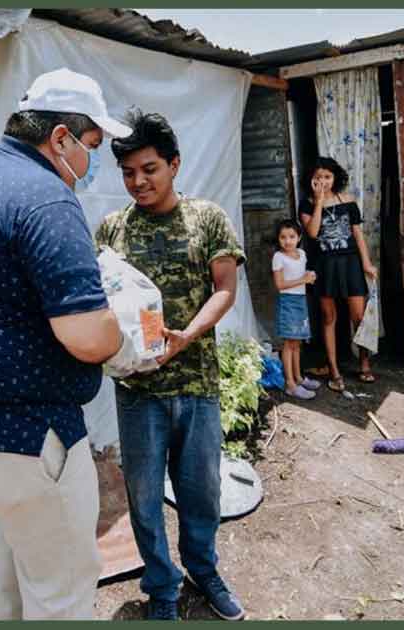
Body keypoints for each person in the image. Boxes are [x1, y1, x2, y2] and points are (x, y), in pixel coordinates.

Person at [0, 68, 142, 620]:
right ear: (59, 138)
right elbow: (87, 337)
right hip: (19, 438)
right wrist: (125, 334)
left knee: (17, 548)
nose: (93, 162)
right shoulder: (46, 199)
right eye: (91, 145)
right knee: (62, 593)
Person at [94, 109, 247, 621]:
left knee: (201, 491)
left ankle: (204, 571)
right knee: (142, 497)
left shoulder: (207, 218)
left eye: (150, 169)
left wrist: (188, 337)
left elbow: (225, 289)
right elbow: (97, 305)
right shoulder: (111, 231)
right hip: (137, 392)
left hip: (197, 383)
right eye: (129, 172)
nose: (138, 181)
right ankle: (161, 586)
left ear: (175, 165)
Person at [299, 157, 379, 391]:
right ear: (311, 180)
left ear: (335, 178)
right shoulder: (306, 205)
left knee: (358, 316)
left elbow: (358, 236)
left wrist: (366, 263)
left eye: (327, 176)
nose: (323, 181)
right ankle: (334, 370)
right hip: (324, 265)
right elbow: (313, 233)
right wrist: (319, 201)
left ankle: (364, 362)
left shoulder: (349, 201)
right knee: (328, 318)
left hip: (351, 263)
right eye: (318, 177)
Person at [271, 219, 320, 400]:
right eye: (283, 237)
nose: (287, 241)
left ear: (299, 238)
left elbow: (303, 276)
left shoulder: (302, 253)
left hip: (300, 301)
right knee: (289, 344)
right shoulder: (278, 257)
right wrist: (303, 280)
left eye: (292, 236)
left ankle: (298, 378)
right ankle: (290, 383)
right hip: (288, 302)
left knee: (297, 342)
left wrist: (310, 276)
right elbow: (280, 285)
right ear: (278, 239)